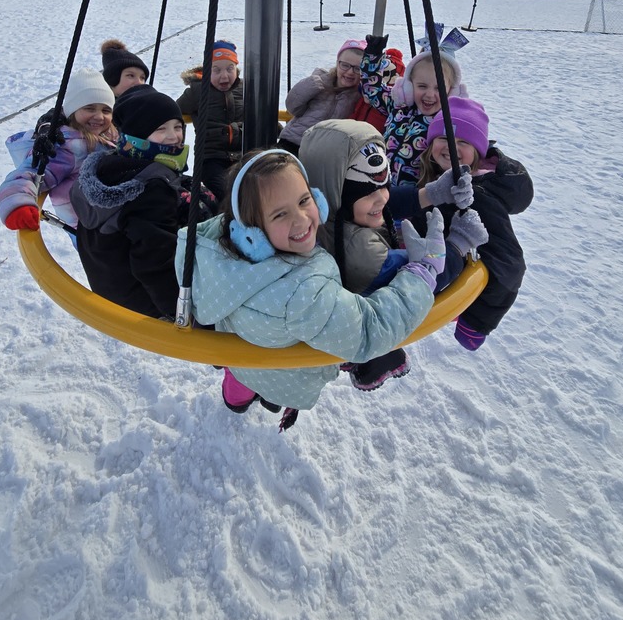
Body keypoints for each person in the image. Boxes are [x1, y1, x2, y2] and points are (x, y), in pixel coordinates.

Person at [174, 148, 448, 428]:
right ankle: (258, 398)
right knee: (270, 380)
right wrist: (423, 271)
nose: (302, 219)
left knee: (240, 378)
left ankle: (235, 402)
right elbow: (370, 328)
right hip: (287, 377)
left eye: (305, 200)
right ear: (251, 233)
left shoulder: (216, 253)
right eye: (280, 214)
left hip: (241, 361)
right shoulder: (303, 293)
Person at [299, 118, 485, 390]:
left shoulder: (324, 214)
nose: (383, 198)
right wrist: (459, 242)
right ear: (336, 192)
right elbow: (426, 279)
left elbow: (381, 199)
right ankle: (371, 363)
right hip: (370, 316)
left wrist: (432, 193)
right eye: (369, 192)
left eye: (384, 185)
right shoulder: (364, 255)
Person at [391, 97, 533, 350]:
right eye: (444, 139)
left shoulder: (478, 196)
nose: (451, 148)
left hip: (452, 286)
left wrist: (477, 322)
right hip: (430, 268)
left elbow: (510, 264)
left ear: (479, 151)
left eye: (463, 142)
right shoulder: (429, 175)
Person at [71, 84, 216, 318]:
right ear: (137, 135)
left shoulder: (115, 164)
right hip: (144, 299)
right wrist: (180, 311)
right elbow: (155, 261)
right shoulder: (151, 188)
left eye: (178, 126)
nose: (173, 136)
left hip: (112, 285)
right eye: (160, 129)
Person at [0, 68, 117, 231]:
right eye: (90, 108)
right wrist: (18, 205)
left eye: (106, 110)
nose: (99, 116)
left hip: (111, 221)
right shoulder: (66, 147)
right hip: (93, 233)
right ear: (72, 111)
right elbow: (27, 173)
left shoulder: (109, 137)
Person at [360, 29, 468, 186]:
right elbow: (372, 89)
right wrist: (372, 56)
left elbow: (466, 155)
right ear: (409, 86)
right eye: (422, 86)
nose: (430, 94)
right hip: (379, 186)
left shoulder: (447, 126)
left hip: (413, 200)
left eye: (439, 88)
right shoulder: (399, 106)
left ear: (452, 91)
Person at [177, 40, 244, 200]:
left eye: (230, 69)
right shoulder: (198, 91)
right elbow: (173, 111)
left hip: (241, 155)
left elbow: (259, 113)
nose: (224, 75)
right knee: (228, 195)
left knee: (253, 187)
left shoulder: (244, 88)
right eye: (216, 70)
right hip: (211, 158)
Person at [277, 39, 367, 156]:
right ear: (337, 63)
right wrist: (307, 86)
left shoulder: (358, 96)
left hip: (322, 152)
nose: (350, 72)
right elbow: (292, 108)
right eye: (345, 65)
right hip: (293, 141)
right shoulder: (320, 81)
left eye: (357, 68)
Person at [350, 45, 405, 133]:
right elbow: (370, 87)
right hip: (354, 133)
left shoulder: (393, 100)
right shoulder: (364, 90)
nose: (380, 77)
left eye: (385, 73)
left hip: (375, 140)